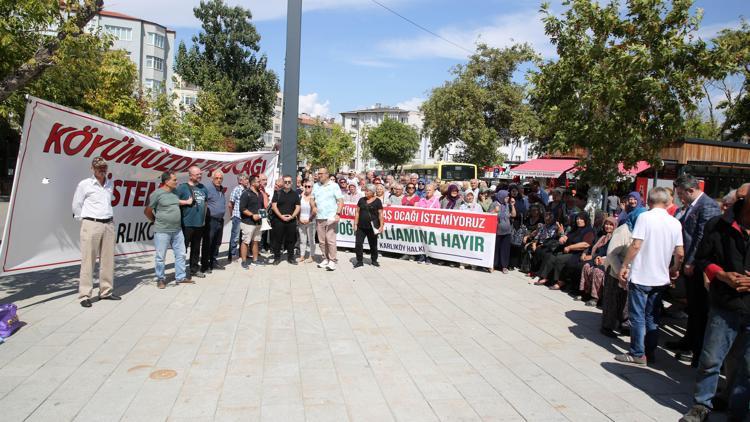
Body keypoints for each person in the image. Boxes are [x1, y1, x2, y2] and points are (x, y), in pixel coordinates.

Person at [680, 184, 750, 422]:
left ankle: (736, 408)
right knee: (711, 359)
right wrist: (723, 276)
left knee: (745, 366)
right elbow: (703, 259)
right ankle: (701, 405)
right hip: (725, 304)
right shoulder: (718, 225)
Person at [615, 187, 684, 365]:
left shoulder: (645, 217)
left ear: (650, 201)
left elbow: (636, 245)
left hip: (642, 275)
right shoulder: (675, 222)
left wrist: (624, 265)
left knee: (637, 316)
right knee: (652, 316)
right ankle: (650, 352)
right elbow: (680, 252)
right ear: (667, 202)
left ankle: (638, 352)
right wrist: (675, 268)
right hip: (660, 277)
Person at [666, 174, 723, 366]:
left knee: (700, 310)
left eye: (681, 193)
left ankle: (696, 350)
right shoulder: (692, 206)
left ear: (691, 190)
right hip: (690, 265)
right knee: (693, 307)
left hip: (699, 266)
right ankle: (688, 341)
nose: (680, 197)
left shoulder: (707, 206)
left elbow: (702, 237)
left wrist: (690, 262)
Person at [72, 156, 119, 307]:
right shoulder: (85, 184)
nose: (102, 170)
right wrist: (85, 220)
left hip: (108, 224)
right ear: (92, 169)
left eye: (104, 167)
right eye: (99, 168)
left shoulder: (109, 184)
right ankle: (85, 295)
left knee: (108, 260)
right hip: (91, 223)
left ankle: (106, 291)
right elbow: (76, 205)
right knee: (88, 260)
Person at [601, 206, 646, 337]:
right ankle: (607, 326)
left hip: (630, 271)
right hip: (616, 269)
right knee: (612, 299)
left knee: (625, 300)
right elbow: (612, 254)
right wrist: (620, 270)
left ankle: (624, 323)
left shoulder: (641, 231)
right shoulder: (623, 231)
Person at [145, 171, 188, 289]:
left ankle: (180, 277)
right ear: (166, 181)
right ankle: (160, 279)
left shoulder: (175, 192)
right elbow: (148, 211)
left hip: (177, 230)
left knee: (181, 254)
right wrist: (155, 221)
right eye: (174, 180)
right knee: (160, 256)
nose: (176, 181)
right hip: (162, 231)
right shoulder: (156, 194)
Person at [535, 213, 595, 289]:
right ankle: (545, 277)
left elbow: (586, 244)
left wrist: (570, 247)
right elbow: (567, 237)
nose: (578, 221)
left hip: (577, 253)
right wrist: (562, 236)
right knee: (552, 256)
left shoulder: (589, 231)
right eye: (577, 219)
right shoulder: (575, 229)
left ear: (585, 220)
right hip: (568, 250)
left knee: (560, 259)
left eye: (581, 219)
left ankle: (560, 281)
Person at [176, 165, 209, 279]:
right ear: (190, 175)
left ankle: (194, 269)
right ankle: (180, 272)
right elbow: (174, 201)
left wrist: (203, 219)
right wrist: (186, 202)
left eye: (200, 174)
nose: (200, 176)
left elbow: (205, 204)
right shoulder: (182, 188)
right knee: (182, 249)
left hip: (199, 224)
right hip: (186, 224)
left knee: (196, 249)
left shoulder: (203, 188)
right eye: (197, 174)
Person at [577, 217, 617, 306]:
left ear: (615, 226)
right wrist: (585, 253)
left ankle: (595, 298)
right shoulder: (601, 235)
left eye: (611, 225)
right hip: (597, 257)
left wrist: (598, 257)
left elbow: (609, 251)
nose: (608, 226)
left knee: (597, 271)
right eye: (606, 224)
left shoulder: (615, 237)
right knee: (586, 266)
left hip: (609, 260)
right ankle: (585, 293)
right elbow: (593, 246)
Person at [313, 167, 344, 271]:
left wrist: (338, 214)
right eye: (318, 173)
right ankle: (325, 258)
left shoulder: (334, 186)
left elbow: (340, 201)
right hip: (319, 217)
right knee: (321, 241)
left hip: (331, 216)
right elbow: (312, 199)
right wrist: (313, 206)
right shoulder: (316, 186)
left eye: (321, 173)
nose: (319, 175)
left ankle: (332, 260)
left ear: (327, 174)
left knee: (330, 239)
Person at [270, 175, 301, 265]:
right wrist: (281, 216)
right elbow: (274, 206)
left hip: (291, 221)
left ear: (291, 183)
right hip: (279, 220)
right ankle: (277, 258)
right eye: (285, 182)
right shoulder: (277, 193)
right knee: (277, 240)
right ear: (283, 182)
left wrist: (292, 216)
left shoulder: (295, 194)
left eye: (289, 182)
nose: (287, 183)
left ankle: (291, 258)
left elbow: (298, 207)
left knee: (291, 240)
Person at [353, 184, 384, 267]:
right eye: (365, 190)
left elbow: (380, 214)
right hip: (361, 227)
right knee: (358, 244)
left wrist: (381, 226)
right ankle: (359, 261)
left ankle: (374, 260)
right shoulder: (361, 200)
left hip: (372, 227)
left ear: (372, 192)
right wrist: (355, 224)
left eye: (367, 191)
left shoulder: (378, 201)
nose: (365, 192)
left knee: (373, 244)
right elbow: (357, 212)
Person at [202, 170, 226, 273]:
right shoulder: (207, 188)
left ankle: (213, 261)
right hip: (210, 220)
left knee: (217, 242)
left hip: (220, 220)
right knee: (208, 242)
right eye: (216, 178)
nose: (219, 180)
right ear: (212, 178)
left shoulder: (221, 189)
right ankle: (205, 265)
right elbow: (203, 203)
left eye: (220, 178)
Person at [239, 175, 263, 270]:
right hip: (248, 222)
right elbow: (242, 208)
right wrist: (252, 215)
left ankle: (255, 260)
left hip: (258, 223)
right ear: (252, 183)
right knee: (245, 242)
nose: (260, 183)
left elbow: (261, 207)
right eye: (258, 181)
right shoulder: (246, 193)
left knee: (256, 241)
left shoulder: (260, 193)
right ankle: (244, 261)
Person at [491, 190, 516, 273]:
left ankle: (504, 266)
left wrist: (512, 205)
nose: (508, 198)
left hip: (507, 231)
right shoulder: (494, 204)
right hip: (496, 231)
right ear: (501, 196)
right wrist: (495, 211)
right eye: (506, 196)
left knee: (505, 250)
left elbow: (513, 215)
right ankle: (493, 265)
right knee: (496, 249)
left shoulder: (507, 205)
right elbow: (488, 215)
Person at [227, 174, 249, 263]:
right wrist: (232, 215)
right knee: (235, 237)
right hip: (237, 216)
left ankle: (242, 253)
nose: (247, 181)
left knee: (243, 237)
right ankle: (232, 255)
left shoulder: (247, 190)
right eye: (245, 179)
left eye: (247, 179)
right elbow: (230, 204)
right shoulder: (236, 189)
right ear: (240, 181)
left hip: (245, 217)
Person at [297, 180, 317, 263]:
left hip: (311, 221)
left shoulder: (314, 197)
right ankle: (302, 255)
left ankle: (312, 256)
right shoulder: (300, 196)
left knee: (311, 240)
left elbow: (315, 210)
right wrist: (299, 219)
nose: (307, 188)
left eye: (309, 186)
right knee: (302, 239)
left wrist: (309, 219)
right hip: (301, 220)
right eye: (306, 186)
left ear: (312, 187)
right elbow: (297, 208)